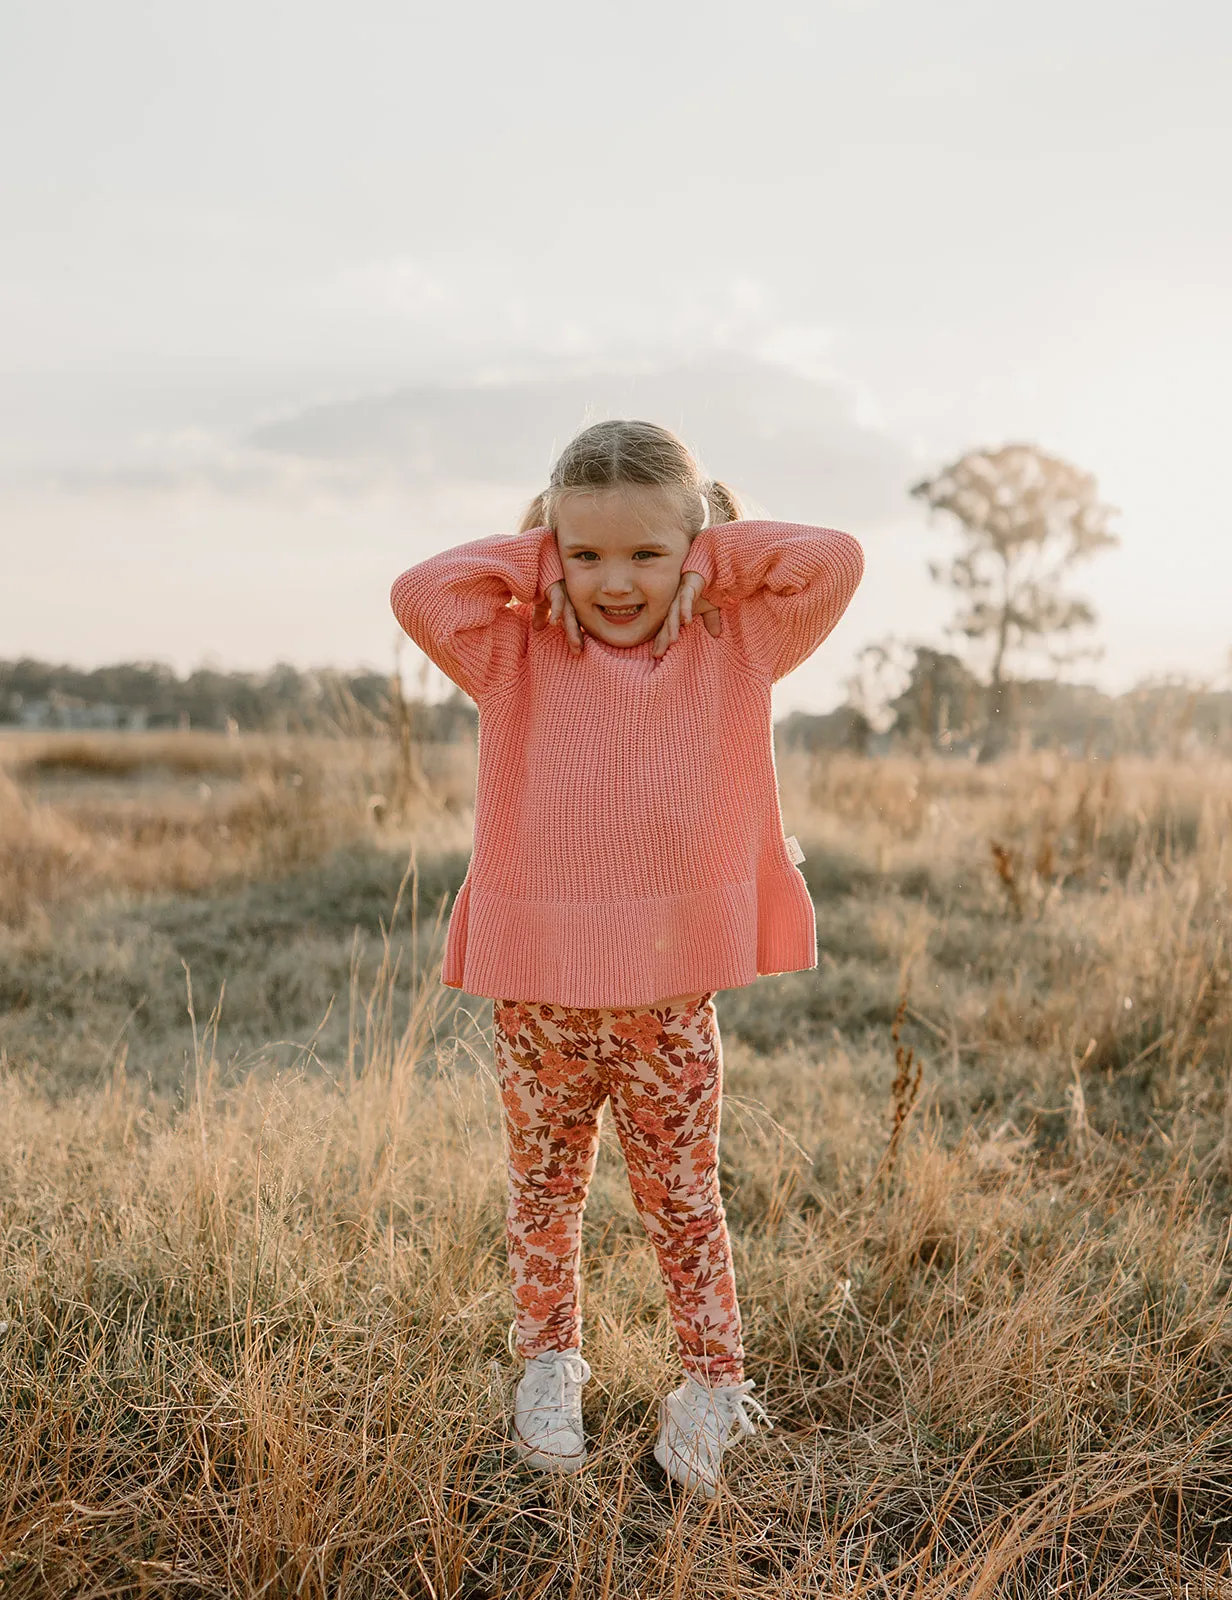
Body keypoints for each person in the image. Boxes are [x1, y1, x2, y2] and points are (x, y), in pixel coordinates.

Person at [390, 419, 864, 1499]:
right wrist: (536, 562)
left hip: (665, 996)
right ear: (554, 548)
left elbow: (833, 555)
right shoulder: (512, 648)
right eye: (587, 554)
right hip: (540, 997)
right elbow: (420, 591)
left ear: (691, 550)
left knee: (682, 1197)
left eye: (645, 554)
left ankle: (709, 1385)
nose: (615, 580)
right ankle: (549, 1361)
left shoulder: (733, 639)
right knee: (543, 1191)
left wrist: (708, 557)